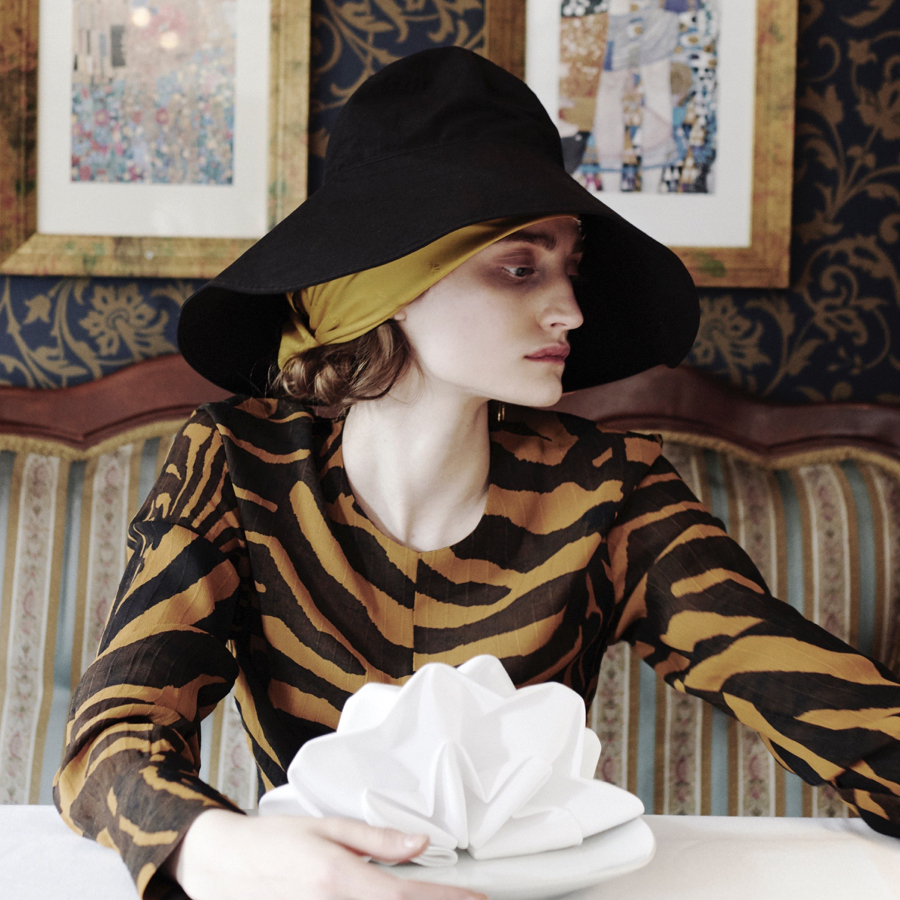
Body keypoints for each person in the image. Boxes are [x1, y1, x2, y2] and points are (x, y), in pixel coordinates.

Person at [54, 47, 900, 900]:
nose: (569, 307)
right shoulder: (237, 465)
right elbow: (115, 736)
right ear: (392, 286)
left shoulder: (611, 489)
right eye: (521, 266)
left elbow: (822, 702)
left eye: (568, 266)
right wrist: (219, 846)